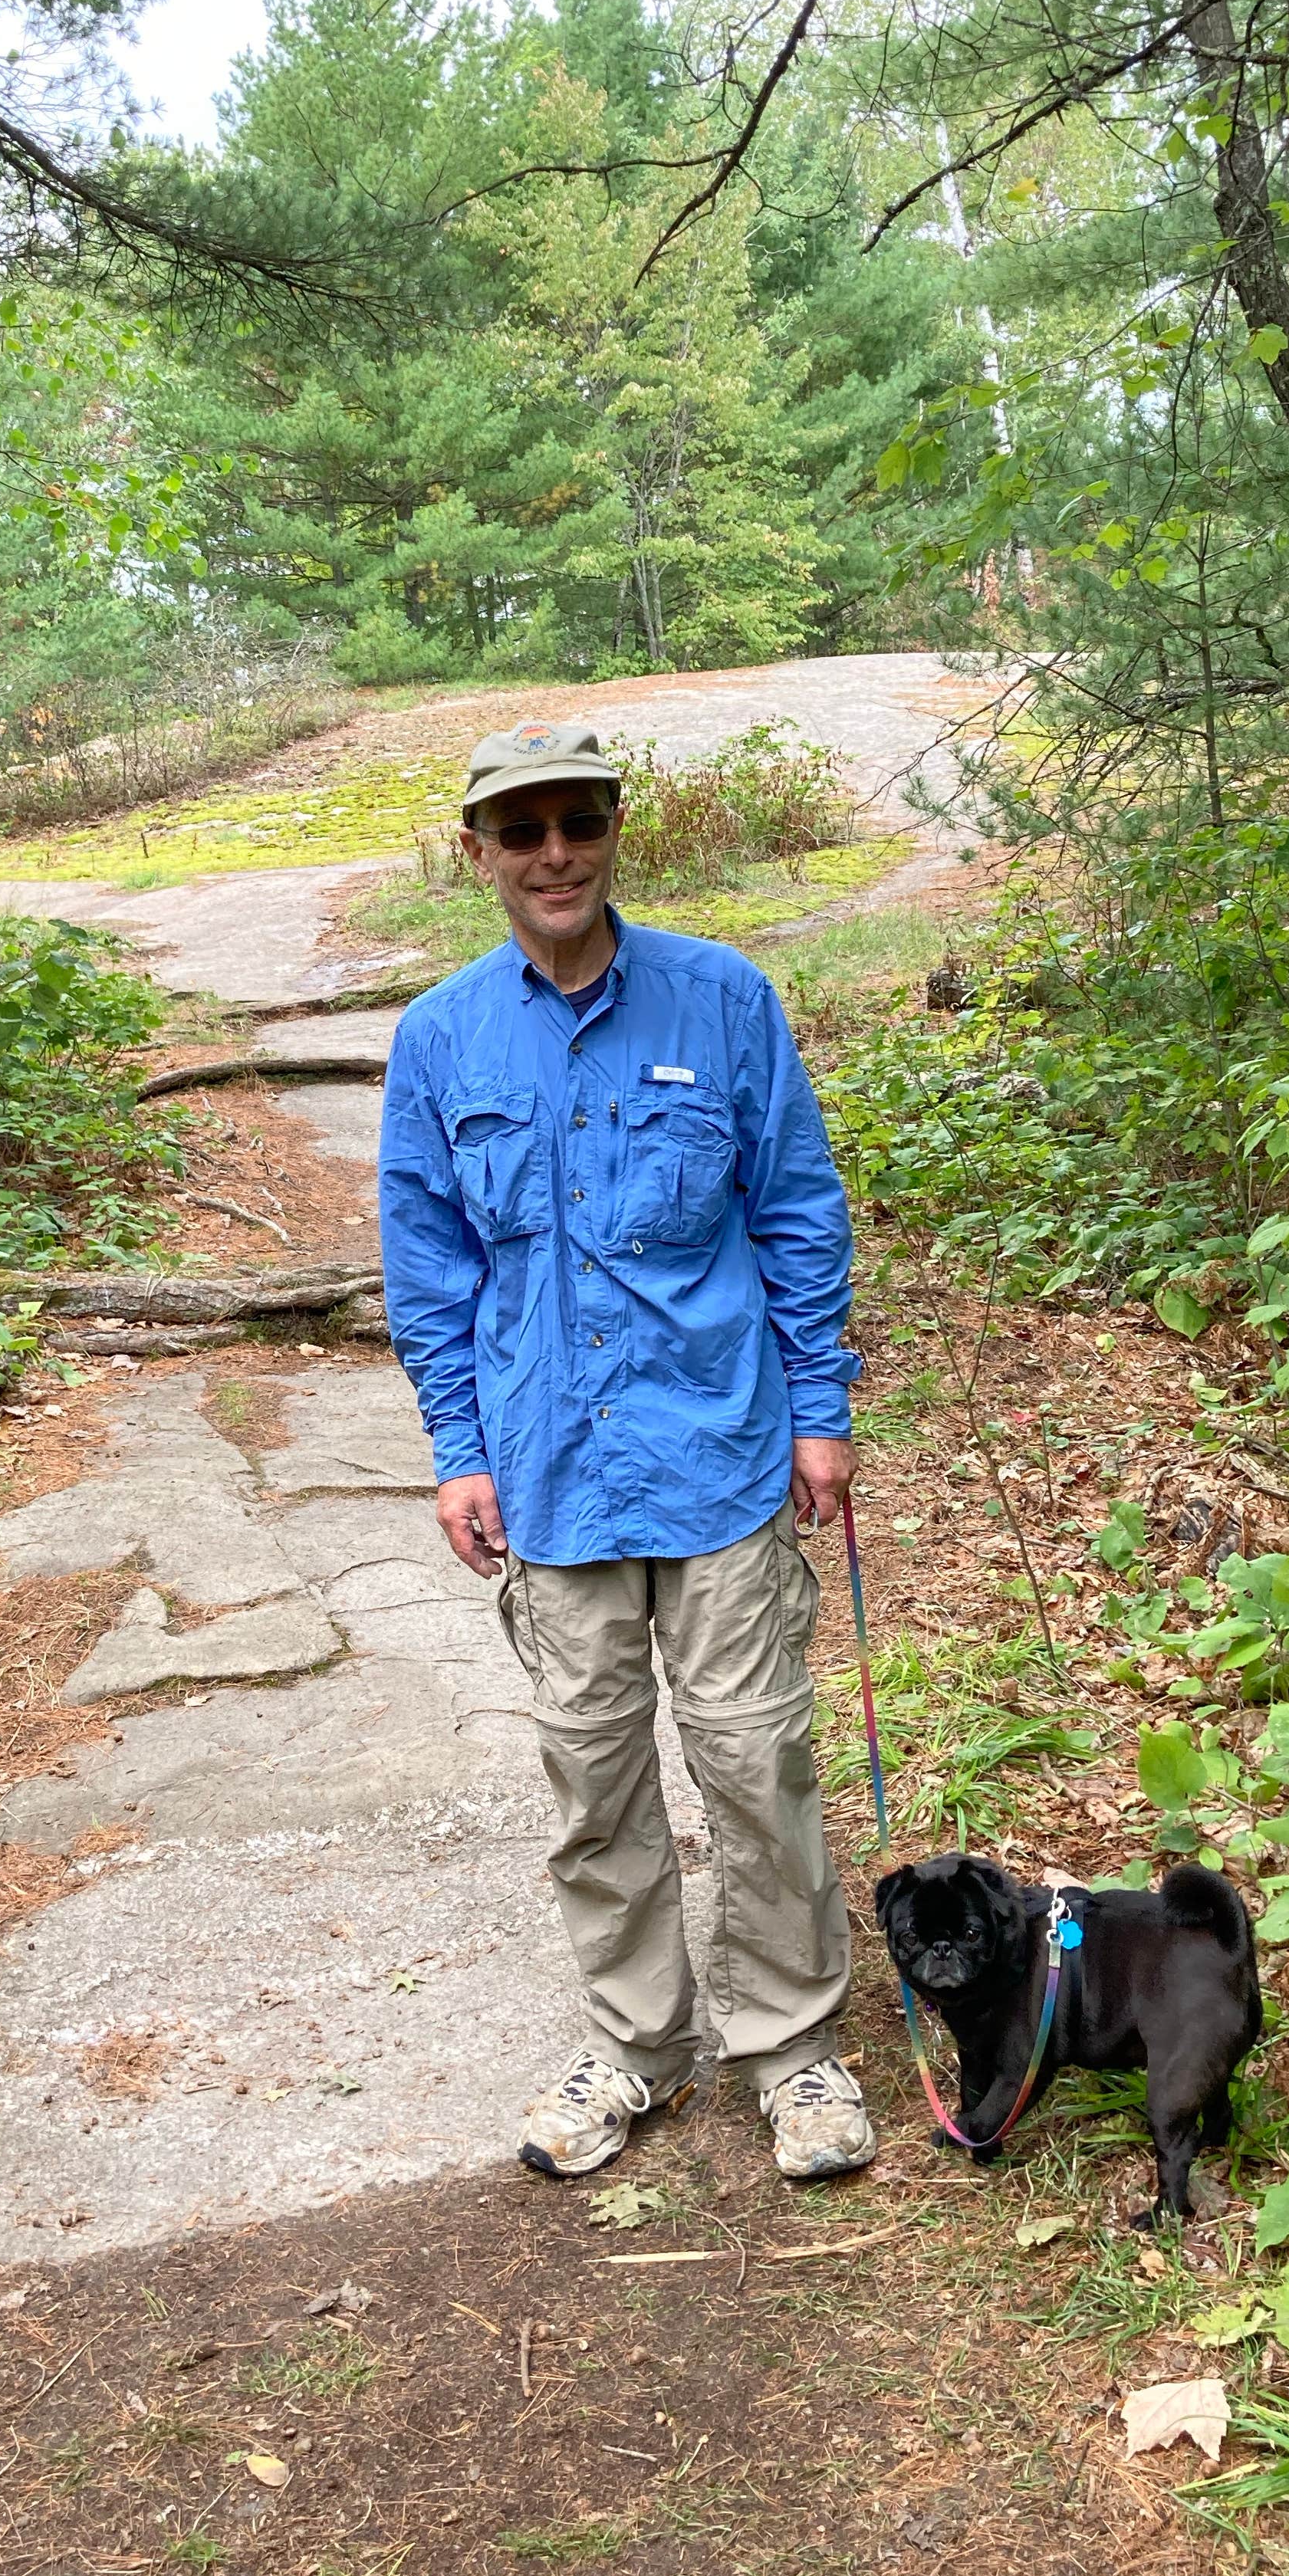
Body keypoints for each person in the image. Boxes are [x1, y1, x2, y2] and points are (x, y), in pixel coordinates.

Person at [377, 718, 875, 2184]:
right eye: (519, 831)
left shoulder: (723, 1002)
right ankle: (640, 2049)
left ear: (611, 832)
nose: (552, 855)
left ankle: (794, 2049)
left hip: (720, 1451)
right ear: (476, 854)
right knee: (594, 1783)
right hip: (546, 1473)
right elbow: (428, 1266)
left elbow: (795, 1208)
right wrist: (458, 1449)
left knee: (754, 1760)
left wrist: (823, 1407)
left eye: (574, 823)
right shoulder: (440, 1038)